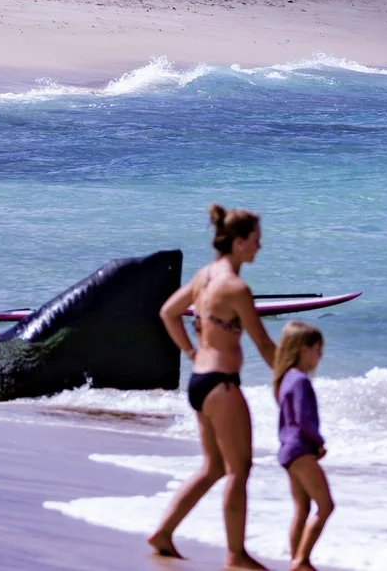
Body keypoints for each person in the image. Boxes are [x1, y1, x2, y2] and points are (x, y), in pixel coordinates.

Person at [147, 205, 278, 569]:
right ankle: (235, 554)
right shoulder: (235, 288)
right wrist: (289, 381)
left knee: (214, 467)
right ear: (237, 242)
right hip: (221, 386)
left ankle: (163, 533)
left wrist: (191, 351)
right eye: (255, 240)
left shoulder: (204, 277)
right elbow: (265, 345)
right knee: (239, 469)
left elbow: (169, 312)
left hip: (200, 382)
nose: (259, 247)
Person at [272, 321, 332, 571]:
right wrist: (319, 443)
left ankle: (294, 560)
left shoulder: (285, 379)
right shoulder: (301, 382)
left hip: (287, 450)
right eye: (318, 350)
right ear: (303, 349)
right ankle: (301, 561)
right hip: (300, 450)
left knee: (302, 508)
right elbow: (303, 419)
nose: (320, 356)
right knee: (326, 506)